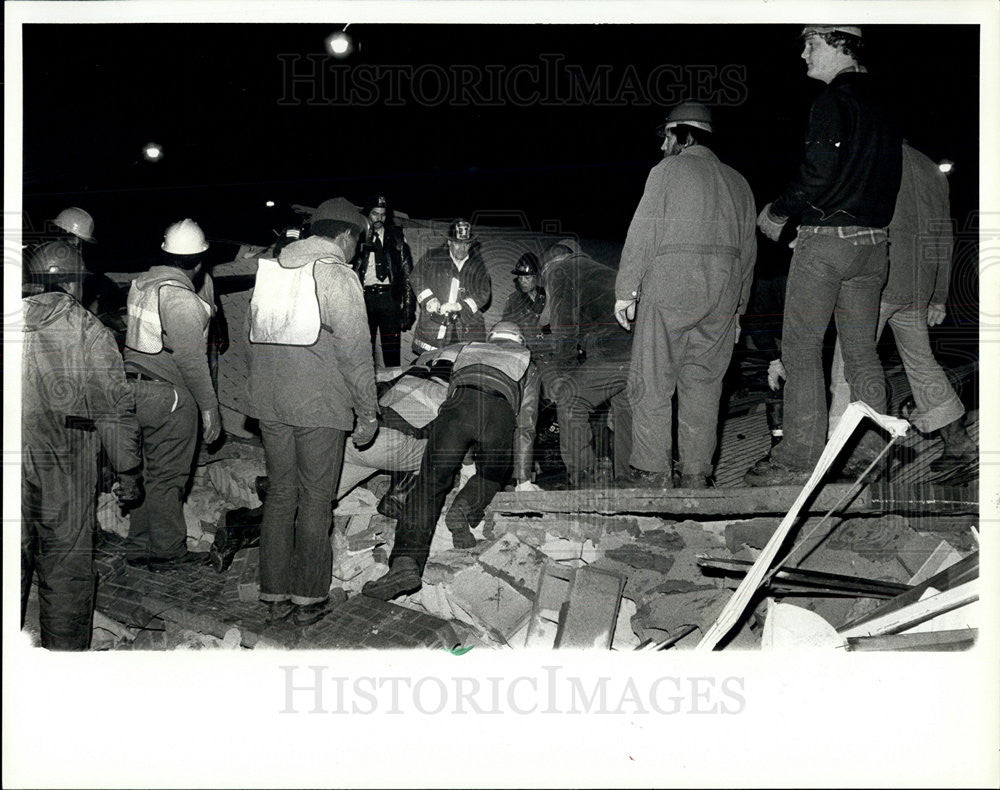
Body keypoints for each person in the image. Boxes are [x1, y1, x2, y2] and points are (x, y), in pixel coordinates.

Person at [745, 25, 902, 486]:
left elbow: (818, 174)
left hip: (828, 242)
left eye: (811, 44)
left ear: (839, 44)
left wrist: (777, 211)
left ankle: (797, 457)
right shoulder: (885, 105)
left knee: (801, 346)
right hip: (874, 245)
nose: (803, 55)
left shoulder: (832, 102)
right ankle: (872, 449)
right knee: (860, 352)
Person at [246, 198, 378, 626]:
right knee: (316, 502)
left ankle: (274, 596)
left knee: (281, 497)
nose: (357, 248)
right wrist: (368, 413)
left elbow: (255, 337)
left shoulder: (274, 270)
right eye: (357, 240)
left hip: (269, 403)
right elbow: (356, 354)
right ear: (345, 236)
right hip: (319, 405)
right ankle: (308, 599)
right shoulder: (338, 275)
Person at [615, 102, 757, 489]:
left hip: (673, 283)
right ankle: (696, 476)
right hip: (724, 293)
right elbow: (749, 252)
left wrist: (625, 291)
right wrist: (738, 312)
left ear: (682, 133)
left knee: (651, 381)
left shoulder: (669, 170)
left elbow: (642, 230)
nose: (663, 145)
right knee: (705, 386)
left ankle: (652, 473)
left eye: (667, 135)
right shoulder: (739, 182)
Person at [362, 322, 540, 601]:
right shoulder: (527, 360)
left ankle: (404, 565)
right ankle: (465, 505)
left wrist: (464, 456)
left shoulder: (469, 349)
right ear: (519, 339)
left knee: (428, 487)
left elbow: (454, 397)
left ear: (491, 337)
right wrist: (523, 479)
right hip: (498, 414)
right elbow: (526, 424)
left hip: (457, 410)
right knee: (492, 476)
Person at [22, 241, 143, 649]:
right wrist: (128, 473)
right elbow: (113, 412)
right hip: (66, 467)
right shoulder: (88, 330)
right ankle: (64, 672)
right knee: (66, 571)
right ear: (74, 282)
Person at [826, 142, 975, 466]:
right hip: (918, 286)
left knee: (849, 368)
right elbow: (943, 234)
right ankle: (958, 440)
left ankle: (850, 456)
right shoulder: (930, 168)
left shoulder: (869, 154)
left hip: (876, 281)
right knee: (922, 363)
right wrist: (937, 295)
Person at [122, 219, 221, 569]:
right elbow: (193, 361)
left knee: (149, 472)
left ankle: (139, 545)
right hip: (168, 397)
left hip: (133, 388)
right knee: (168, 479)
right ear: (198, 261)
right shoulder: (181, 299)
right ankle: (167, 551)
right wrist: (210, 408)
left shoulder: (142, 284)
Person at [539, 238, 633, 487]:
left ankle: (585, 476)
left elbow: (564, 327)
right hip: (642, 352)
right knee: (625, 412)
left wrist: (566, 373)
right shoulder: (596, 269)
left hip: (612, 353)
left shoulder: (558, 272)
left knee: (571, 401)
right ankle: (627, 478)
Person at [409, 218, 492, 355]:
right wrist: (429, 299)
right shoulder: (433, 257)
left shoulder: (478, 264)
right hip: (435, 325)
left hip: (465, 328)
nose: (462, 248)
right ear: (449, 242)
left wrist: (460, 306)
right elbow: (416, 276)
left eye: (466, 244)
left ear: (471, 244)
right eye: (458, 243)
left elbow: (484, 292)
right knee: (429, 366)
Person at [353, 194, 415, 367]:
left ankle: (392, 388)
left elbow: (408, 274)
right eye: (375, 214)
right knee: (365, 352)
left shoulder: (396, 237)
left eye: (383, 214)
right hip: (364, 300)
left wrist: (408, 308)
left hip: (390, 299)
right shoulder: (357, 238)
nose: (379, 219)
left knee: (391, 353)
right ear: (367, 214)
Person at [501, 251, 547, 346]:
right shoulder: (513, 300)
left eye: (527, 278)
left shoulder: (548, 297)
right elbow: (506, 328)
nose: (522, 282)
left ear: (536, 277)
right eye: (520, 277)